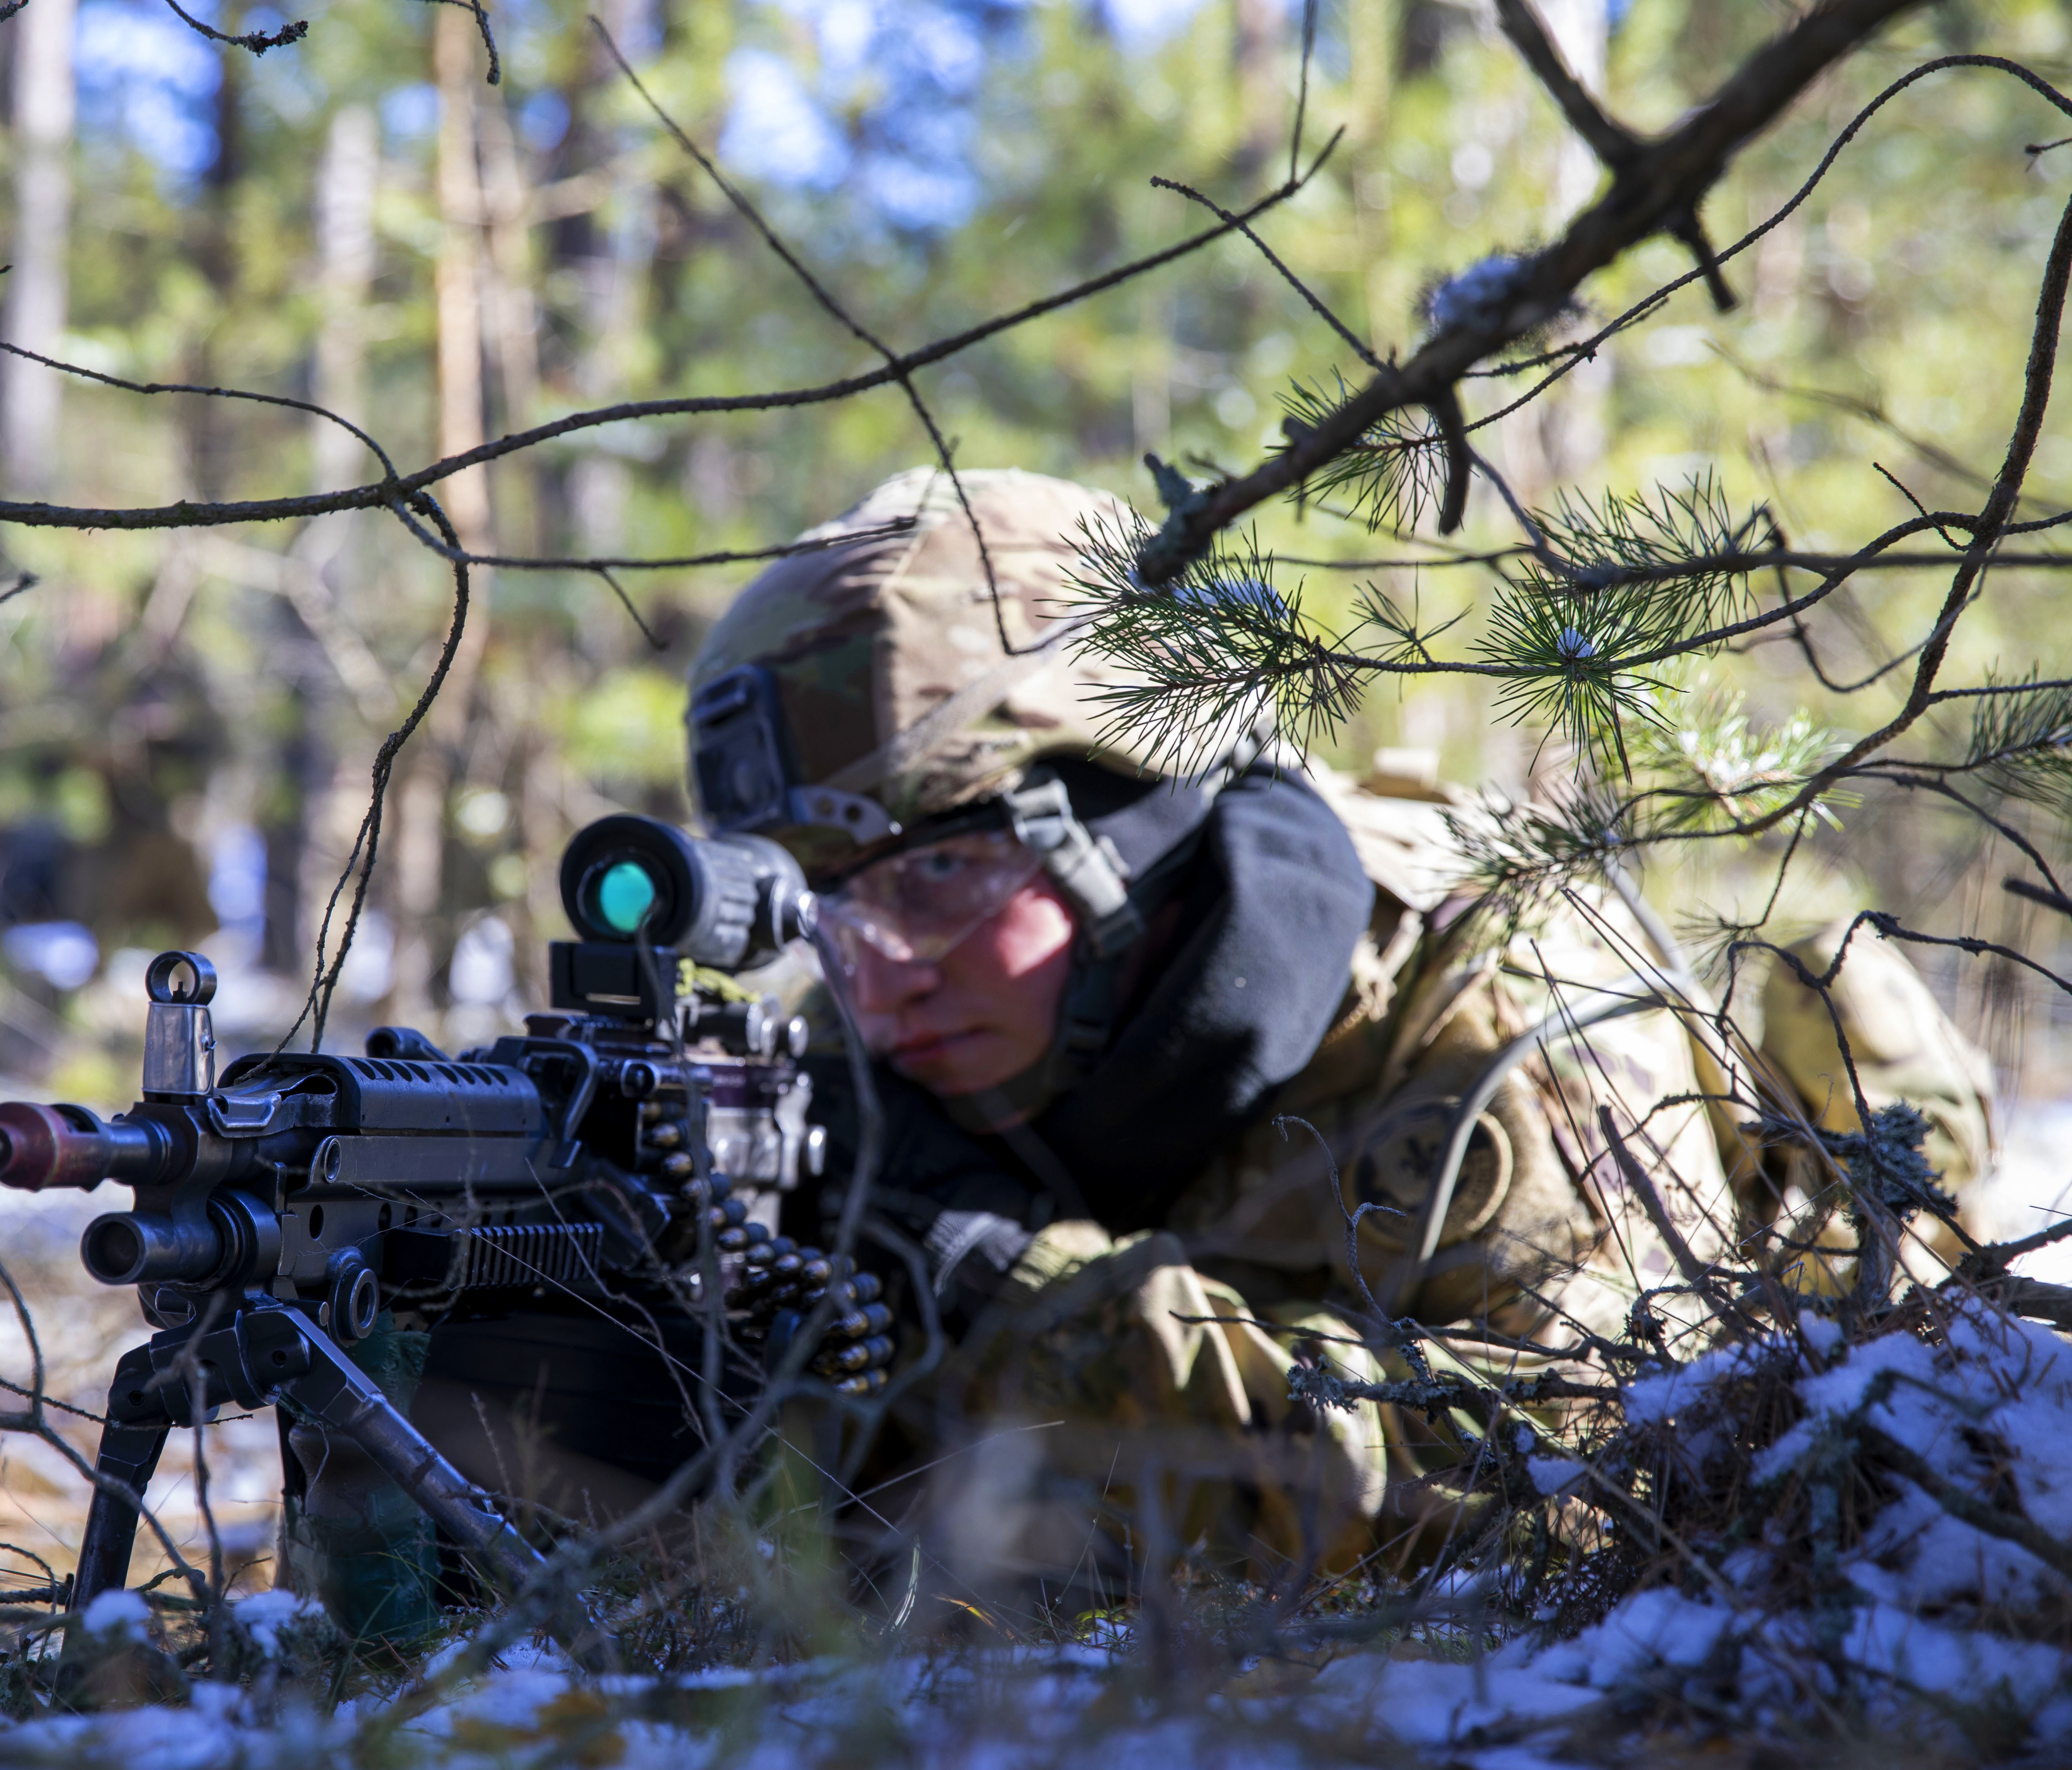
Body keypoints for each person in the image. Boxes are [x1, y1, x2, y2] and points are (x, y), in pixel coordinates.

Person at [677, 465, 1996, 1601]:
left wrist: (1029, 1292)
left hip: (1792, 1265)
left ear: (1130, 836)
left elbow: (1574, 1486)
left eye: (936, 883)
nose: (879, 982)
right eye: (827, 910)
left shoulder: (1497, 1009)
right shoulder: (885, 1044)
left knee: (1852, 1090)